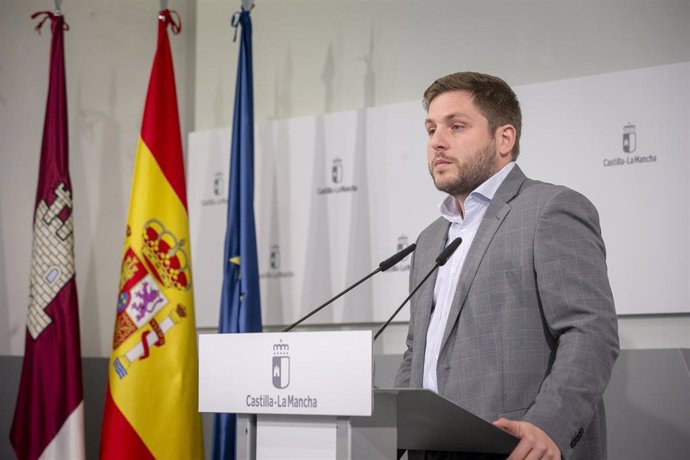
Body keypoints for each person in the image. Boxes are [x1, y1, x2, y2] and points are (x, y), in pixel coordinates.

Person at [395, 71, 620, 460]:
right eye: (431, 129)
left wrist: (550, 425)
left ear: (504, 138)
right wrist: (395, 431)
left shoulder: (551, 209)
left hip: (513, 448)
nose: (437, 141)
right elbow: (418, 349)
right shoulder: (431, 237)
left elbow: (590, 331)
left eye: (456, 126)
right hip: (429, 449)